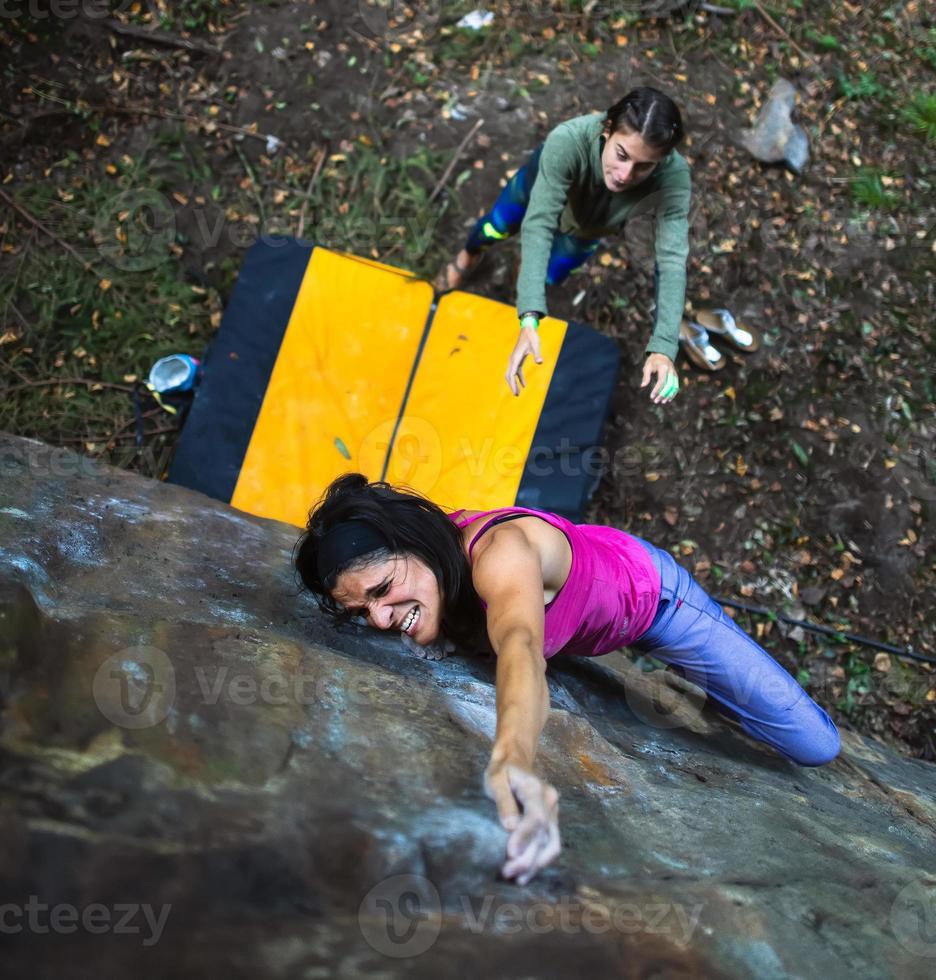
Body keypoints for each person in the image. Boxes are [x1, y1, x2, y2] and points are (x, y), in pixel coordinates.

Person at [295, 474, 841, 885]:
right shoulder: (429, 575)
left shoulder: (498, 554)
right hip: (591, 609)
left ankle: (708, 675)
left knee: (812, 743)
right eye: (362, 610)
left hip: (654, 602)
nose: (382, 619)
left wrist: (512, 756)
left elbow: (522, 646)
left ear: (416, 544)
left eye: (383, 590)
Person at [439, 86, 691, 403]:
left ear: (662, 160)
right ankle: (469, 255)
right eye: (622, 155)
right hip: (533, 193)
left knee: (549, 274)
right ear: (607, 130)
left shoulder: (674, 177)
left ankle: (523, 275)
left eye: (644, 166)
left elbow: (671, 259)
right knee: (494, 228)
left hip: (588, 230)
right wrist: (531, 313)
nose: (626, 175)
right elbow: (539, 221)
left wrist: (664, 346)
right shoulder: (568, 140)